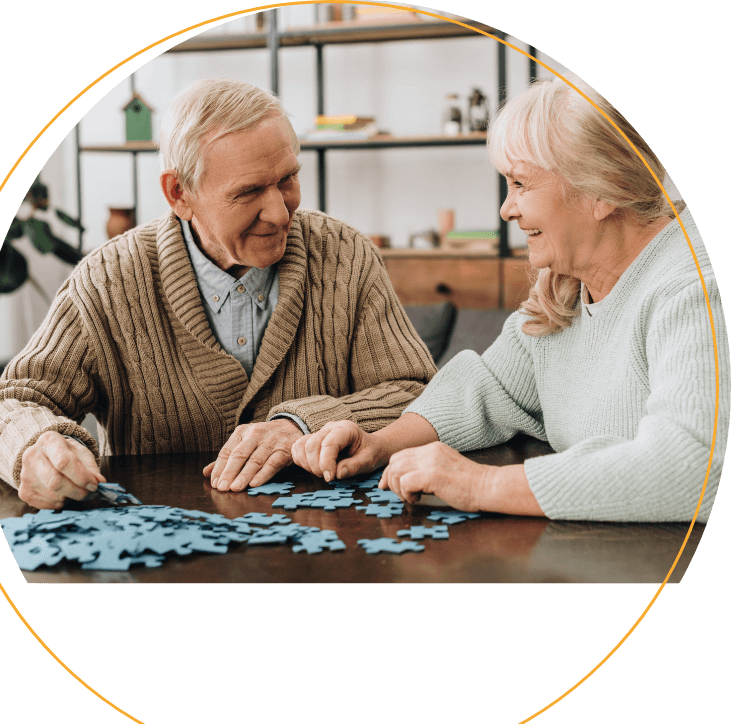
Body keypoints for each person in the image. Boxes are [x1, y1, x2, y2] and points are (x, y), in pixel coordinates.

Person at [0, 78, 437, 510]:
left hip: (331, 548)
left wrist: (299, 424)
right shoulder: (106, 280)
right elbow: (9, 402)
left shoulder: (346, 255)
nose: (279, 213)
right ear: (179, 193)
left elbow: (421, 395)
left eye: (287, 180)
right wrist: (36, 444)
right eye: (249, 192)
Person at [292, 75, 729, 523]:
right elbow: (490, 386)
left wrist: (480, 484)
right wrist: (381, 442)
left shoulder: (693, 286)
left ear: (603, 190)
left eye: (521, 184)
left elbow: (694, 465)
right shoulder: (567, 283)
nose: (507, 208)